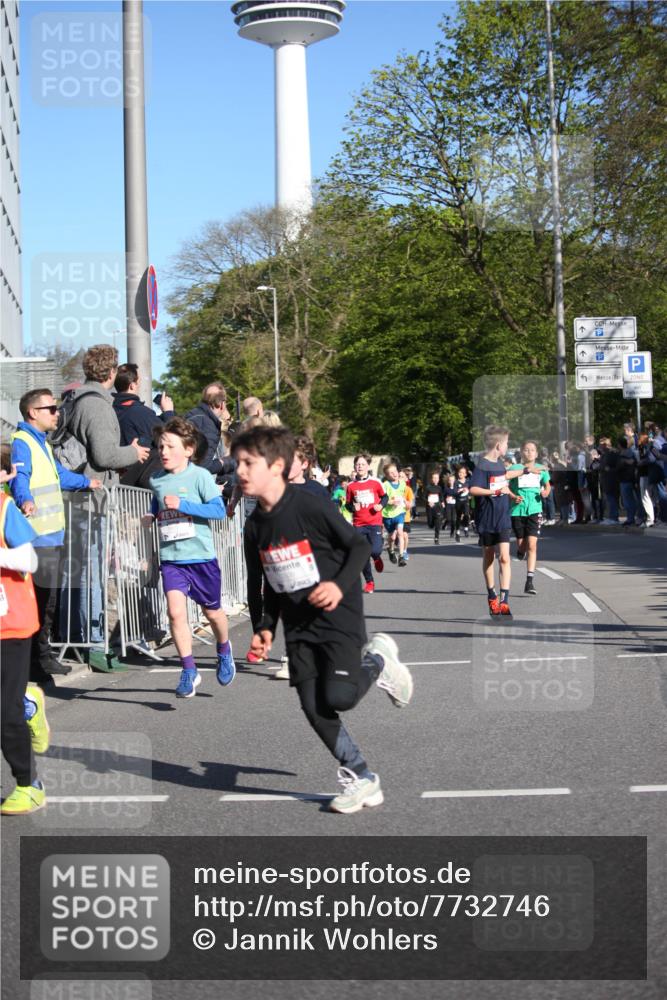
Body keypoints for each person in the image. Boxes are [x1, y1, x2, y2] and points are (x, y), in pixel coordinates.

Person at [233, 425, 414, 814]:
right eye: (238, 464)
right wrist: (265, 628)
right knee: (313, 705)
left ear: (277, 466)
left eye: (249, 463)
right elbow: (263, 582)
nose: (240, 472)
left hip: (338, 609)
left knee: (339, 697)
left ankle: (378, 659)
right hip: (298, 622)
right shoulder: (254, 527)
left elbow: (358, 546)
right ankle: (362, 777)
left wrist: (335, 587)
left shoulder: (309, 505)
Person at [59, 345, 150, 648]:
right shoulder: (96, 405)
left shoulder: (78, 399)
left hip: (79, 498)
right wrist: (133, 452)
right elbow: (105, 454)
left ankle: (74, 637)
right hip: (91, 501)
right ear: (111, 373)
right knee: (91, 572)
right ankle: (94, 643)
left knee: (77, 571)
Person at [10, 389, 102, 684]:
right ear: (32, 413)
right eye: (50, 408)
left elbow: (59, 476)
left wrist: (88, 481)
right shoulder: (23, 442)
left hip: (51, 535)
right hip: (37, 536)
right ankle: (37, 660)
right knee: (40, 601)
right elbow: (19, 478)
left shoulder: (43, 445)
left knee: (48, 601)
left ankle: (43, 655)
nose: (56, 412)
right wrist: (24, 499)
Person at [144, 417, 235, 698]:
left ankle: (223, 648)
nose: (164, 452)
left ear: (188, 449)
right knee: (175, 612)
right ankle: (188, 669)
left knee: (213, 613)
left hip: (200, 557)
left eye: (170, 446)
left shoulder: (200, 477)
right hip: (172, 559)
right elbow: (157, 505)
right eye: (161, 446)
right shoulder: (156, 479)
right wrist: (151, 515)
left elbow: (218, 511)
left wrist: (183, 505)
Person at [0, 450, 50, 815]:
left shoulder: (5, 509)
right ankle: (27, 701)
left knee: (5, 712)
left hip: (10, 623)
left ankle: (28, 784)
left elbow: (29, 560)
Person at [469, 425, 530, 618]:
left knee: (504, 557)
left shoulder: (499, 464)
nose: (507, 446)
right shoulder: (482, 465)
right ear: (498, 444)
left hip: (503, 516)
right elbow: (474, 489)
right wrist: (495, 492)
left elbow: (503, 478)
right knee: (489, 556)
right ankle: (491, 596)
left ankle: (504, 602)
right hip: (487, 517)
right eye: (506, 443)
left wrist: (523, 473)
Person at [113, 363, 174, 488]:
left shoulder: (112, 410)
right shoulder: (139, 412)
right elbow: (170, 436)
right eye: (138, 381)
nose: (140, 384)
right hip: (139, 485)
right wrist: (168, 412)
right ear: (132, 385)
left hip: (121, 479)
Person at [508, 441, 551, 595]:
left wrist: (546, 492)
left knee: (532, 545)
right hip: (517, 510)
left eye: (532, 450)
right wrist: (513, 496)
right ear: (521, 452)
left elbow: (547, 485)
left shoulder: (541, 469)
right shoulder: (514, 469)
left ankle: (529, 581)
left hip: (535, 509)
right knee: (522, 544)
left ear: (536, 453)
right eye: (526, 450)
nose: (529, 452)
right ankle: (520, 551)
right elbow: (504, 484)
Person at [345, 454, 387, 595]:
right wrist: (353, 507)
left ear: (368, 466)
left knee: (374, 550)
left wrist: (380, 506)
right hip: (359, 524)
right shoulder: (351, 486)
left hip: (374, 523)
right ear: (354, 467)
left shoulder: (376, 482)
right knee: (361, 554)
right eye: (358, 464)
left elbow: (385, 497)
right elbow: (348, 504)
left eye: (363, 464)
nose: (360, 467)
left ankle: (376, 557)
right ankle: (370, 582)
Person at [185, 386, 231, 477]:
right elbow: (203, 467)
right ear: (222, 404)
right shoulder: (208, 425)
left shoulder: (192, 415)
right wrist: (224, 462)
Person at [381, 462, 408, 566]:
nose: (394, 474)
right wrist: (390, 502)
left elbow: (401, 495)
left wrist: (405, 501)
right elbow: (381, 500)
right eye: (391, 473)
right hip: (388, 514)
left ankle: (401, 556)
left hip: (399, 512)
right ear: (387, 476)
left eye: (395, 471)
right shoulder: (385, 485)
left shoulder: (403, 483)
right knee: (392, 537)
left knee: (400, 533)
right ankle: (391, 550)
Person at [617, 434, 639, 526]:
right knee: (631, 500)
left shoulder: (623, 455)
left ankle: (630, 518)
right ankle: (632, 517)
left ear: (620, 445)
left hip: (625, 479)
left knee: (627, 501)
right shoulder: (631, 453)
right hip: (631, 479)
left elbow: (619, 467)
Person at [424, 471, 444, 544]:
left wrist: (442, 502)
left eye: (437, 478)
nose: (436, 479)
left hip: (437, 506)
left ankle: (436, 538)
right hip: (430, 507)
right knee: (430, 524)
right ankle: (431, 524)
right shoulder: (428, 487)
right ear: (431, 479)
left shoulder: (439, 488)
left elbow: (441, 496)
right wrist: (428, 502)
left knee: (438, 521)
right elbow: (423, 497)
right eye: (434, 478)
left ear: (439, 479)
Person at [399, 470, 415, 561]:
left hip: (405, 516)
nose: (400, 478)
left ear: (405, 479)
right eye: (399, 476)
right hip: (394, 516)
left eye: (402, 476)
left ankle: (404, 551)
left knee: (404, 535)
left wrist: (405, 501)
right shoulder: (393, 488)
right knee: (394, 535)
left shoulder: (408, 489)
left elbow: (411, 504)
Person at [454, 465, 471, 540]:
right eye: (460, 472)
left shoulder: (468, 481)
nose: (460, 474)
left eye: (462, 473)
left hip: (466, 501)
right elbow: (454, 492)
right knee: (458, 517)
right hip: (458, 502)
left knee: (466, 515)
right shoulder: (456, 482)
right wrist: (460, 491)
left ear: (465, 474)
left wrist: (470, 494)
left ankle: (466, 529)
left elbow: (471, 489)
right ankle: (457, 532)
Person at [443, 473, 458, 539]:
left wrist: (453, 497)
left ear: (454, 480)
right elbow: (443, 496)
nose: (451, 481)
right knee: (449, 519)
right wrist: (444, 500)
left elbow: (458, 495)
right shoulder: (446, 488)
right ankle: (445, 524)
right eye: (450, 480)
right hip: (448, 505)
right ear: (448, 481)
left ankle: (452, 532)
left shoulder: (456, 488)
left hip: (454, 505)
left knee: (454, 520)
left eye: (452, 480)